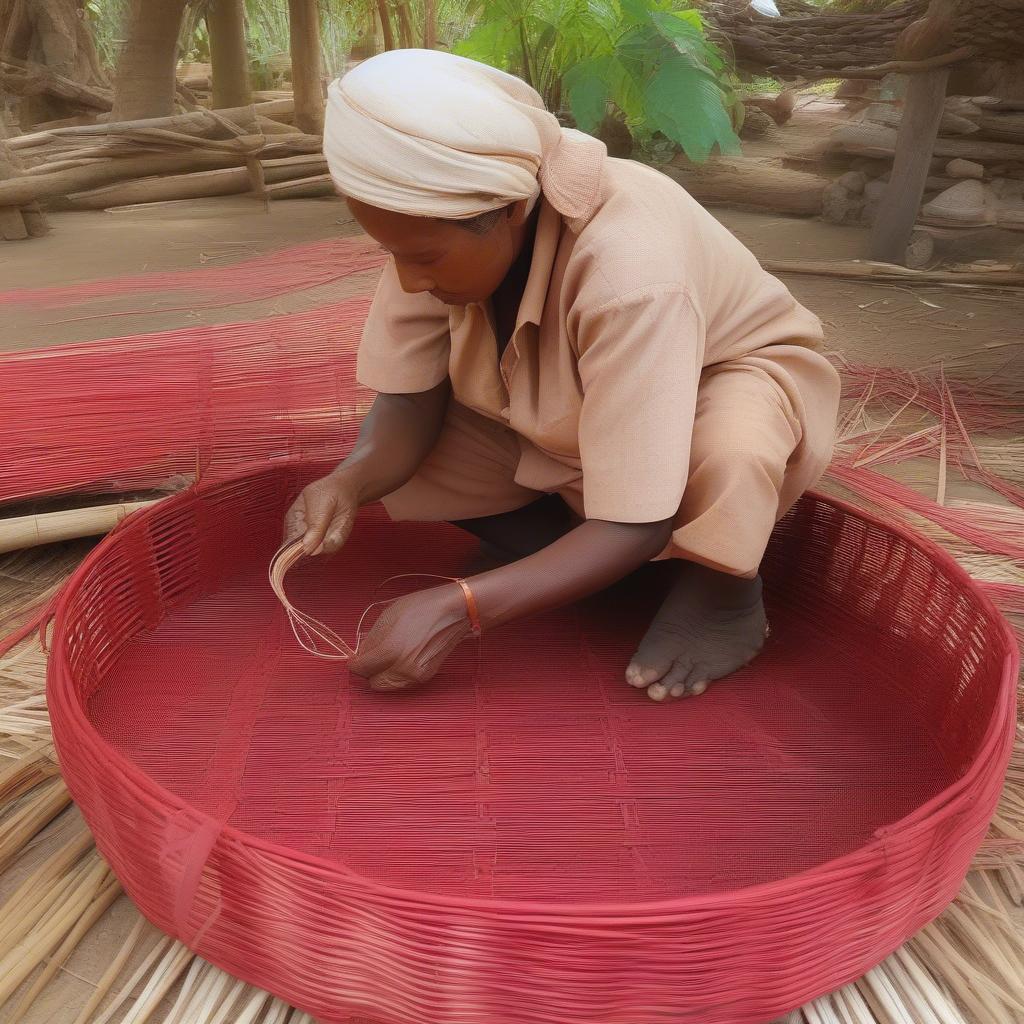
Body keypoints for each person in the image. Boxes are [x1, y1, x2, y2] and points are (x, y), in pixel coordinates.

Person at [283, 48, 840, 703]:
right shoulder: (436, 222)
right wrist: (350, 478)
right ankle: (595, 564)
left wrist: (459, 607)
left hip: (714, 385)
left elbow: (639, 519)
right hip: (572, 420)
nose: (408, 280)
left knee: (730, 452)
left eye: (424, 258)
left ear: (511, 212)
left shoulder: (628, 272)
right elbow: (408, 402)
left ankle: (724, 590)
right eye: (393, 255)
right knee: (427, 457)